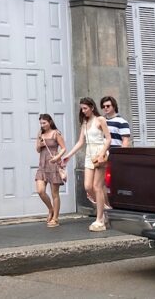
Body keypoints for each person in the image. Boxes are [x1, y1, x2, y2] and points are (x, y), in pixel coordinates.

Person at [61, 97, 111, 232]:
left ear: (92, 107)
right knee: (88, 186)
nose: (83, 111)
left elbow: (108, 139)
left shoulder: (100, 120)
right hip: (89, 155)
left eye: (85, 108)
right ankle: (105, 208)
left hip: (99, 153)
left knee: (97, 187)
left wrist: (102, 153)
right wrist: (68, 156)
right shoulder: (84, 122)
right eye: (81, 108)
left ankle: (100, 219)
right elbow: (80, 142)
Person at [35, 113, 67, 227]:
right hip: (42, 165)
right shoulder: (40, 134)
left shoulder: (55, 133)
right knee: (40, 191)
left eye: (44, 123)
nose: (42, 125)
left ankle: (56, 218)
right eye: (41, 123)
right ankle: (51, 209)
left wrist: (57, 157)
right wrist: (40, 143)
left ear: (49, 122)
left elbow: (64, 148)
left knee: (54, 193)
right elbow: (38, 150)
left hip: (53, 164)